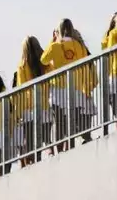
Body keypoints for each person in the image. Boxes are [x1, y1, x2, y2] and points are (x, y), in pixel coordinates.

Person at [41, 19, 96, 151]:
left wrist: (53, 40)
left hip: (58, 90)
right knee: (71, 122)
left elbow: (43, 60)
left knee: (59, 123)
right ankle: (70, 148)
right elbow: (84, 67)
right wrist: (86, 88)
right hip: (75, 89)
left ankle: (59, 151)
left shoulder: (55, 46)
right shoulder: (79, 46)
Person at [15, 35, 52, 163]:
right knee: (46, 136)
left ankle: (34, 162)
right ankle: (50, 153)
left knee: (30, 141)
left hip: (29, 109)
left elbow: (21, 90)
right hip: (44, 105)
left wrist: (18, 112)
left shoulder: (22, 66)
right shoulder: (45, 63)